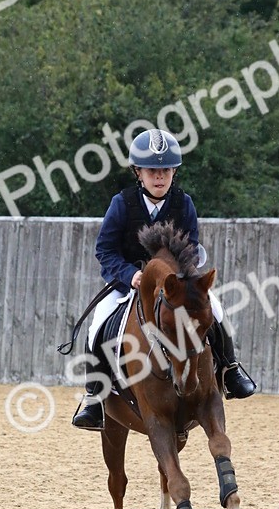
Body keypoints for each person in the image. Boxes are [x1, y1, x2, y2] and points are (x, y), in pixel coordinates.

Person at [72, 127, 256, 431]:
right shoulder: (122, 203)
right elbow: (105, 249)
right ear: (138, 173)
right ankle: (94, 396)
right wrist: (130, 275)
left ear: (173, 173)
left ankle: (231, 371)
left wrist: (182, 279)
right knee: (97, 328)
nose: (160, 177)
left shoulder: (184, 204)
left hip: (176, 287)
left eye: (166, 171)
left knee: (217, 311)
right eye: (152, 171)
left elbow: (192, 248)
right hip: (129, 284)